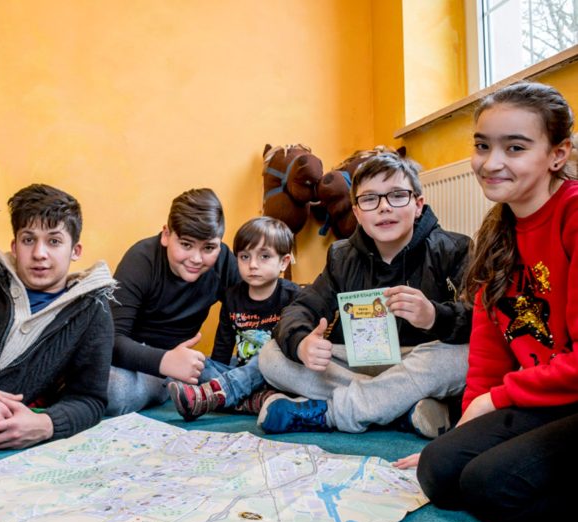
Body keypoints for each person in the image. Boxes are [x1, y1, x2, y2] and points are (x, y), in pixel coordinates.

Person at [414, 81, 578, 522]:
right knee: (438, 472)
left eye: (515, 147)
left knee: (492, 489)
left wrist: (497, 401)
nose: (491, 163)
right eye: (483, 146)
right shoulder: (496, 233)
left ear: (557, 155)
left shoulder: (573, 215)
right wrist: (467, 426)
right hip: (549, 398)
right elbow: (488, 353)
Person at [257, 152, 472, 438]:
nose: (384, 208)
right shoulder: (341, 255)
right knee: (270, 355)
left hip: (421, 360)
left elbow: (479, 320)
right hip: (361, 363)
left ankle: (331, 413)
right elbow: (302, 307)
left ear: (418, 204)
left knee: (464, 358)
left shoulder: (455, 249)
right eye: (370, 199)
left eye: (397, 195)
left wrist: (435, 316)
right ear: (357, 211)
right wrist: (301, 343)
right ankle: (398, 408)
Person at [0, 183, 116, 449]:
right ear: (14, 245)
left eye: (54, 241)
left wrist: (46, 425)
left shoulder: (92, 313)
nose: (39, 254)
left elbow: (89, 399)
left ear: (75, 251)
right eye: (28, 239)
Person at [106, 188, 241, 415]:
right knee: (113, 390)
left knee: (260, 368)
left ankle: (190, 387)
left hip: (188, 365)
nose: (196, 259)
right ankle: (184, 387)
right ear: (166, 235)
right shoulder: (141, 259)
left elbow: (254, 307)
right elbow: (112, 341)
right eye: (186, 245)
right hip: (138, 365)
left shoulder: (223, 260)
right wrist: (166, 361)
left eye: (208, 248)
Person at [167, 216, 300, 420]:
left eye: (264, 257)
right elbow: (223, 344)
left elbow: (295, 346)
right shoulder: (232, 297)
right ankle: (251, 401)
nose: (253, 265)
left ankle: (217, 395)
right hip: (241, 371)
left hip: (278, 374)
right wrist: (216, 369)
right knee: (196, 365)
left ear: (284, 262)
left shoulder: (293, 296)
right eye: (244, 257)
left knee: (268, 357)